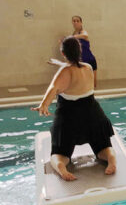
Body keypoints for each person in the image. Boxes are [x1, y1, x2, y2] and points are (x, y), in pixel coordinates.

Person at [32, 37, 116, 181]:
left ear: (63, 53)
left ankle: (61, 167)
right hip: (93, 114)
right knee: (103, 147)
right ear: (80, 51)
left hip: (70, 117)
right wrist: (60, 64)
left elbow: (53, 87)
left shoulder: (64, 71)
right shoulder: (88, 67)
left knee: (60, 154)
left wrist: (44, 104)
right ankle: (111, 160)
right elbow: (73, 67)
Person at [50, 16, 99, 88]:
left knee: (93, 84)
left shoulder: (82, 32)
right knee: (82, 84)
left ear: (81, 23)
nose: (75, 22)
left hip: (90, 60)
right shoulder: (73, 34)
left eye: (77, 21)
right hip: (80, 62)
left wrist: (69, 37)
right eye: (74, 21)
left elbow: (85, 35)